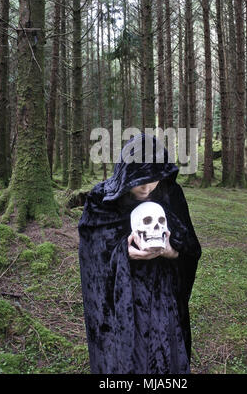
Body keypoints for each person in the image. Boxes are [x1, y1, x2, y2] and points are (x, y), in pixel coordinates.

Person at [78, 133, 201, 374]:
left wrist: (171, 252)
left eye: (153, 179)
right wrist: (123, 255)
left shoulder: (170, 194)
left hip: (163, 302)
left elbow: (190, 248)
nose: (147, 187)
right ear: (126, 174)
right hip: (120, 306)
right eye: (140, 180)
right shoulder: (101, 201)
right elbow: (91, 257)